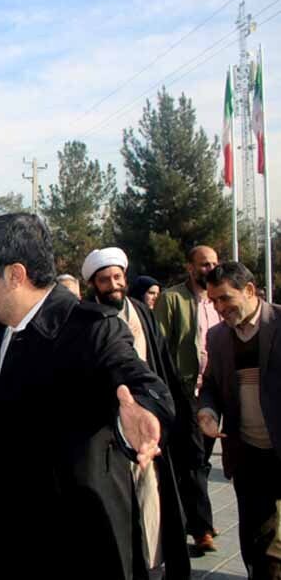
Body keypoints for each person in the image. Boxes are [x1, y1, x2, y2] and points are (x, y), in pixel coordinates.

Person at [0, 213, 174, 580]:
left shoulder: (91, 330)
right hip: (5, 547)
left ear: (16, 274)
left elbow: (139, 381)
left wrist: (144, 410)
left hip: (75, 550)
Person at [82, 247, 192, 579]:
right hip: (109, 432)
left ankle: (153, 565)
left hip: (149, 429)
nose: (113, 285)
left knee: (152, 498)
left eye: (117, 277)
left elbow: (163, 366)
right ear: (94, 284)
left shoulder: (142, 312)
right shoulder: (88, 319)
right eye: (104, 280)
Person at [198, 262, 281, 579]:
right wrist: (207, 411)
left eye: (225, 298)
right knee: (257, 539)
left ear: (249, 290)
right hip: (247, 453)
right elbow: (211, 385)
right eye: (213, 301)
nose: (220, 308)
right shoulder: (218, 337)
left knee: (274, 543)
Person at [154, 245, 220, 551]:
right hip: (186, 391)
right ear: (190, 268)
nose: (210, 269)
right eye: (204, 264)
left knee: (201, 459)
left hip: (215, 392)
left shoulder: (218, 300)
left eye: (214, 263)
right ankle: (201, 528)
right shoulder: (173, 299)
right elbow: (160, 345)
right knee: (193, 458)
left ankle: (191, 516)